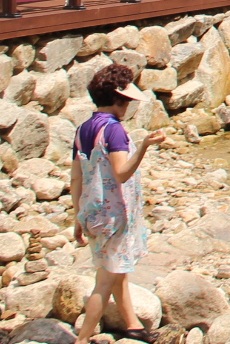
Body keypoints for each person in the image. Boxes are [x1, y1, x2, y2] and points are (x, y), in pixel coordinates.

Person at [71, 63, 167, 344]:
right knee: (104, 282)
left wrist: (77, 217)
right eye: (126, 101)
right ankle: (82, 339)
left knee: (117, 271)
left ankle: (133, 325)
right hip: (115, 216)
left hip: (92, 213)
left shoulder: (83, 129)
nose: (128, 106)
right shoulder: (114, 130)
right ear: (117, 99)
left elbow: (76, 177)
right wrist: (144, 146)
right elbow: (122, 173)